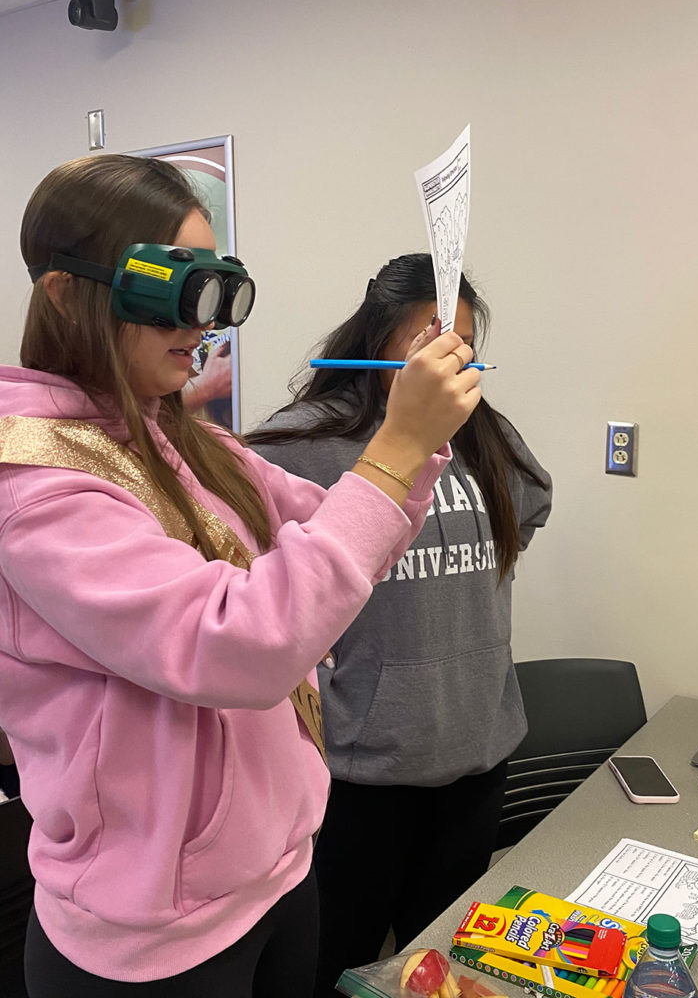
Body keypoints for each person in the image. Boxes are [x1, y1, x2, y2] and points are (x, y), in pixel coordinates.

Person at [0, 156, 481, 997]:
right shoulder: (36, 489)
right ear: (66, 294)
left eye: (218, 289)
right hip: (151, 942)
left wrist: (413, 446)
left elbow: (350, 538)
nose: (205, 324)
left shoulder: (187, 441)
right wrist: (395, 447)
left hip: (275, 881)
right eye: (173, 292)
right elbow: (243, 646)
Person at [247, 253, 552, 997]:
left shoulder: (483, 435)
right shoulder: (294, 448)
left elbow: (530, 507)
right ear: (374, 342)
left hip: (477, 756)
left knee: (437, 965)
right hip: (361, 771)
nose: (446, 365)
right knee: (342, 965)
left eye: (460, 350)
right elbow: (259, 587)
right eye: (426, 346)